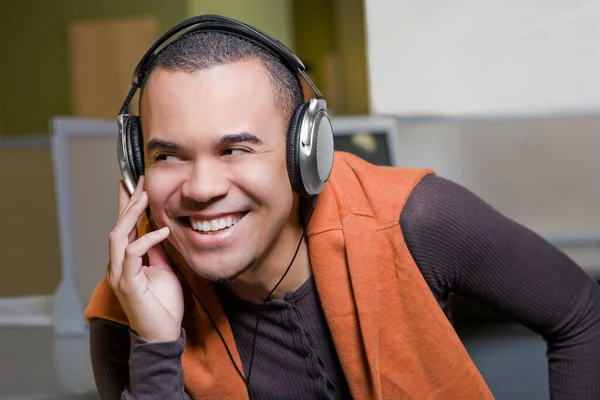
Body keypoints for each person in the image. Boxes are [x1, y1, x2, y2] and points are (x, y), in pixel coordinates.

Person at [85, 15, 600, 400]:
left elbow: (582, 314)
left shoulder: (414, 220)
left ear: (305, 153)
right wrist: (156, 346)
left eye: (235, 149)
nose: (200, 187)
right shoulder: (129, 307)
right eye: (168, 154)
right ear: (136, 166)